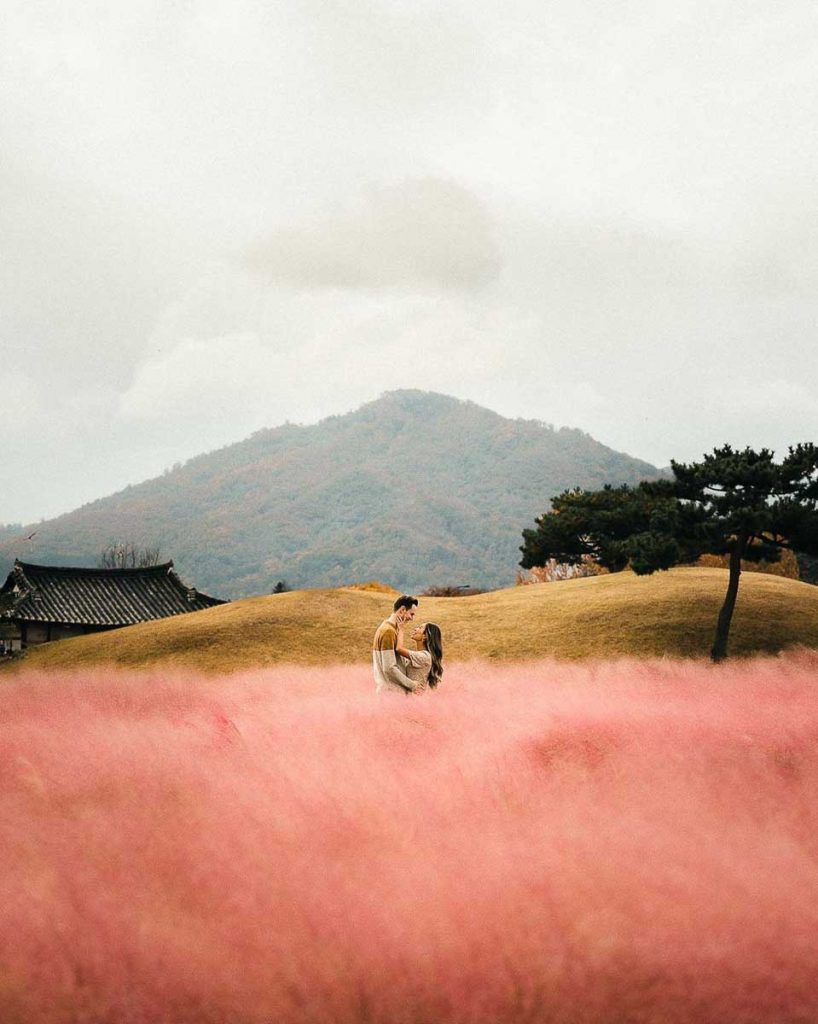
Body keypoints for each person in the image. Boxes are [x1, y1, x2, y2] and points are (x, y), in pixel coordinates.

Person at [372, 595, 420, 695]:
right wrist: (412, 685)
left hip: (390, 692)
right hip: (391, 693)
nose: (411, 618)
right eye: (411, 614)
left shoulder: (390, 629)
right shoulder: (388, 631)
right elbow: (389, 668)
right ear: (402, 610)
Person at [395, 622, 443, 693]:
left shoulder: (425, 656)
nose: (415, 629)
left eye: (420, 628)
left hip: (414, 699)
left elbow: (398, 649)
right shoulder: (419, 655)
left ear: (425, 636)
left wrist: (401, 629)